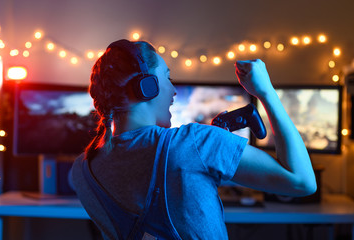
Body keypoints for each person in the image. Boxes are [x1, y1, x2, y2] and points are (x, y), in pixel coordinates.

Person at [71, 39, 317, 240]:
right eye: (167, 77)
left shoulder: (81, 171)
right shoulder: (194, 143)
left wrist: (207, 150)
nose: (174, 90)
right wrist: (266, 92)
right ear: (148, 86)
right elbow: (302, 182)